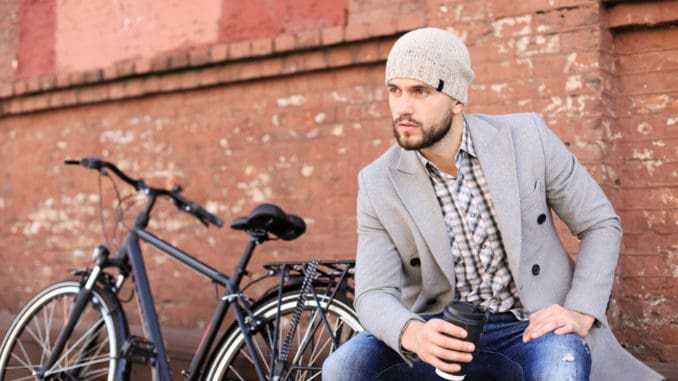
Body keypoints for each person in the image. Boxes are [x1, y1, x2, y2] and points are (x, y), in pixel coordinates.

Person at [322, 27, 663, 381]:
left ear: (456, 99)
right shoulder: (378, 181)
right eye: (395, 91)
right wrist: (413, 333)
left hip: (532, 325)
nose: (403, 107)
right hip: (441, 328)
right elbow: (373, 293)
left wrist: (579, 311)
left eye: (421, 91)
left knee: (559, 369)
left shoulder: (527, 137)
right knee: (342, 367)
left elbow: (600, 223)